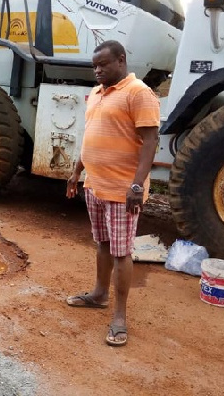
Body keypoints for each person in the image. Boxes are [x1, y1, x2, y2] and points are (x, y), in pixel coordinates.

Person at [65, 40, 160, 347]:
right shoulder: (95, 93)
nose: (97, 70)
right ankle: (99, 294)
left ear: (121, 61)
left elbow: (150, 141)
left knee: (122, 252)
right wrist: (77, 172)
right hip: (95, 184)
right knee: (103, 243)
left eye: (103, 65)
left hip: (123, 191)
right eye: (94, 66)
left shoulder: (139, 93)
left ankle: (119, 315)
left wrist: (137, 185)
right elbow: (90, 135)